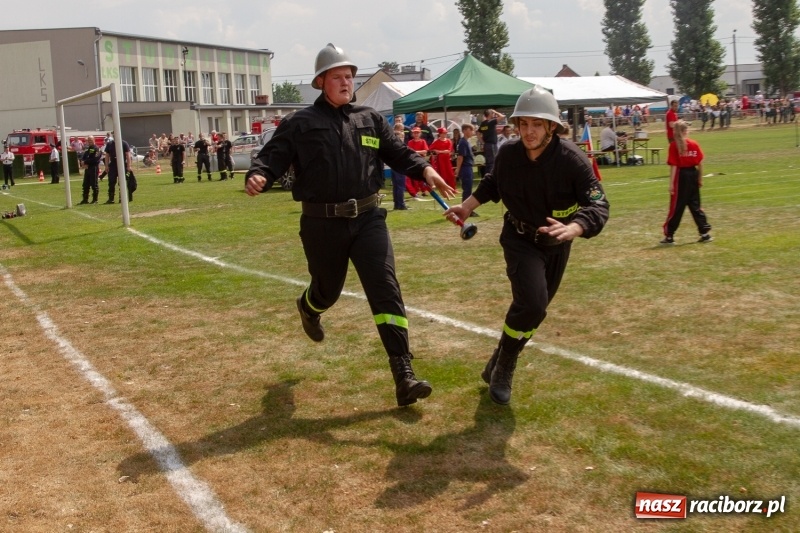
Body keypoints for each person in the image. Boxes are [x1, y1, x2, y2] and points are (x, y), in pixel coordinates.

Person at [244, 43, 455, 407]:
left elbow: (397, 153)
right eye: (338, 77)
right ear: (321, 82)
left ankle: (403, 374)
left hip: (369, 218)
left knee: (385, 288)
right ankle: (310, 307)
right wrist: (259, 174)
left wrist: (424, 168)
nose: (346, 82)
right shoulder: (300, 123)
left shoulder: (370, 118)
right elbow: (272, 156)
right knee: (328, 290)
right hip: (322, 224)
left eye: (350, 76)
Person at [443, 85, 610, 405]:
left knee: (536, 311)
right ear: (516, 126)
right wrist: (466, 206)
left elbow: (599, 204)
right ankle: (506, 365)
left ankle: (497, 360)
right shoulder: (508, 153)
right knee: (532, 304)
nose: (529, 131)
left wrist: (576, 226)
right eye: (524, 124)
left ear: (552, 127)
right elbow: (493, 183)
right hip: (519, 239)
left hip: (557, 244)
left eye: (537, 124)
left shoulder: (572, 160)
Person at [661, 120, 711, 244]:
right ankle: (704, 232)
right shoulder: (694, 144)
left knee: (676, 207)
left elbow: (673, 166)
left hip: (680, 176)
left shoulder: (674, 146)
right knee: (695, 205)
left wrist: (671, 184)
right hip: (692, 174)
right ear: (685, 131)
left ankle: (669, 235)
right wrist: (699, 178)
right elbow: (700, 164)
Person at [454, 123, 478, 216]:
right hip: (465, 168)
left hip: (468, 167)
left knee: (468, 189)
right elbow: (460, 157)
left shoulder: (466, 141)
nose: (472, 132)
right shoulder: (463, 142)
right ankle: (466, 210)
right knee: (467, 190)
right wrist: (458, 169)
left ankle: (467, 209)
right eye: (470, 130)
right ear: (465, 131)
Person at [103, 136, 132, 203]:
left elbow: (128, 155)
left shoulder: (124, 143)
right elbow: (107, 155)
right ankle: (111, 198)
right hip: (113, 165)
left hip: (122, 164)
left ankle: (122, 198)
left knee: (122, 182)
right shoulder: (109, 144)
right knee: (111, 182)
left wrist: (129, 166)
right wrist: (106, 166)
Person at [478, 108, 506, 174]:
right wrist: (495, 112)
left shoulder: (483, 123)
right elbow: (502, 117)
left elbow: (478, 133)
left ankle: (487, 175)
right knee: (493, 161)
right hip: (492, 144)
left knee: (488, 162)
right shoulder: (491, 122)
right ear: (490, 114)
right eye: (492, 113)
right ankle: (492, 176)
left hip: (486, 144)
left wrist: (482, 142)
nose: (493, 114)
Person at [390, 123, 409, 210]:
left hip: (393, 163)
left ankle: (396, 204)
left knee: (396, 185)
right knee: (400, 185)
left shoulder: (390, 136)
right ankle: (401, 204)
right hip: (400, 162)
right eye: (402, 129)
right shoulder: (398, 135)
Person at [78, 136, 102, 204]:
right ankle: (85, 199)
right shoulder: (88, 149)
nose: (89, 141)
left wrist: (85, 162)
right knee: (85, 184)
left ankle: (95, 200)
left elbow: (95, 159)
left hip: (94, 168)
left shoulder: (96, 148)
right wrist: (83, 162)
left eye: (91, 140)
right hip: (87, 168)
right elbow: (83, 157)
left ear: (94, 140)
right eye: (88, 140)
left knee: (94, 184)